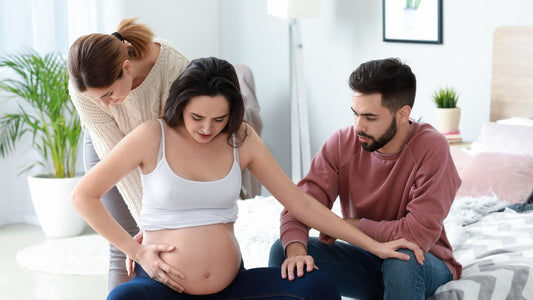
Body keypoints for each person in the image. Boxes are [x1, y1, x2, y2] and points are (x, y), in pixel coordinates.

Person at [71, 57, 426, 299]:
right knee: (123, 297)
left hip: (232, 286)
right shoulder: (153, 136)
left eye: (219, 118)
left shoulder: (241, 138)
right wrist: (135, 250)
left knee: (317, 286)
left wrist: (375, 246)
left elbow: (300, 202)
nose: (208, 129)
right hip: (166, 287)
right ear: (180, 105)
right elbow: (83, 196)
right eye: (197, 118)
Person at [269, 58, 462, 300]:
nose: (358, 126)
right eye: (355, 114)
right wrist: (297, 252)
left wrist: (349, 225)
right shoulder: (341, 143)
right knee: (283, 251)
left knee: (401, 257)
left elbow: (416, 235)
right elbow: (299, 207)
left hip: (423, 262)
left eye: (370, 118)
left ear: (403, 114)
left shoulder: (432, 148)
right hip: (366, 259)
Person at [67, 17, 189, 290]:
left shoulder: (174, 68)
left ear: (127, 68)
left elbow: (180, 146)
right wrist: (145, 235)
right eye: (95, 98)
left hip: (164, 150)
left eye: (108, 94)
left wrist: (161, 224)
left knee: (168, 244)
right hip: (107, 149)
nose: (104, 104)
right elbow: (117, 157)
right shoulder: (83, 88)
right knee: (125, 247)